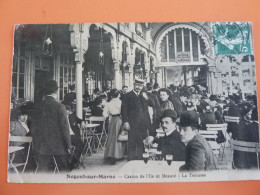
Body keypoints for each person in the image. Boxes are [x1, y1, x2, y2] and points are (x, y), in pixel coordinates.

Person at [31, 80, 72, 172]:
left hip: (41, 146)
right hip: (58, 147)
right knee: (63, 170)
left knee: (43, 171)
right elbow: (65, 128)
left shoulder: (37, 106)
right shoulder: (60, 106)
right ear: (56, 91)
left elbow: (33, 126)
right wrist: (68, 145)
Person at [121, 78, 154, 161]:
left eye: (141, 86)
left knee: (142, 142)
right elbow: (124, 110)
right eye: (137, 85)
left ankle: (141, 159)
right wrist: (125, 122)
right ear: (134, 85)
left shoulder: (145, 95)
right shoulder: (127, 96)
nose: (139, 87)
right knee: (131, 142)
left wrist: (147, 98)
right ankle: (131, 159)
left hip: (143, 123)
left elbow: (153, 104)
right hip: (132, 123)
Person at [103, 89, 126, 165]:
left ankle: (110, 155)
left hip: (112, 120)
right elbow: (124, 112)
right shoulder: (121, 102)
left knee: (112, 137)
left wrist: (109, 114)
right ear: (119, 95)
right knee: (120, 136)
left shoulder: (108, 104)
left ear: (112, 96)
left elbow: (104, 115)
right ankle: (119, 154)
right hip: (120, 119)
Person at [65, 104, 86, 170]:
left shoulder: (72, 116)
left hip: (72, 136)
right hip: (64, 137)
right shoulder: (60, 118)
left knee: (81, 145)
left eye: (68, 111)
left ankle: (73, 162)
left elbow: (80, 120)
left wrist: (82, 122)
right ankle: (66, 163)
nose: (68, 112)